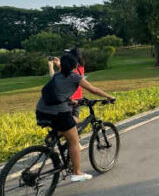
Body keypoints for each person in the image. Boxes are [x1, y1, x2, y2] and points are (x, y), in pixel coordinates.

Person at [37, 53, 114, 182]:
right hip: (58, 113)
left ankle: (57, 135)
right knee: (74, 141)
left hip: (41, 111)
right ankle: (77, 172)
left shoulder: (57, 75)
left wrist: (70, 100)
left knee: (68, 126)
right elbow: (93, 89)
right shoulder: (75, 77)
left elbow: (58, 91)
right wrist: (109, 97)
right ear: (76, 65)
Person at [48, 47, 86, 122]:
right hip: (78, 98)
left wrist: (51, 66)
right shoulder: (81, 67)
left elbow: (54, 78)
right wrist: (59, 65)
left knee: (68, 123)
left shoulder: (67, 68)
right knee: (75, 121)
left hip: (69, 99)